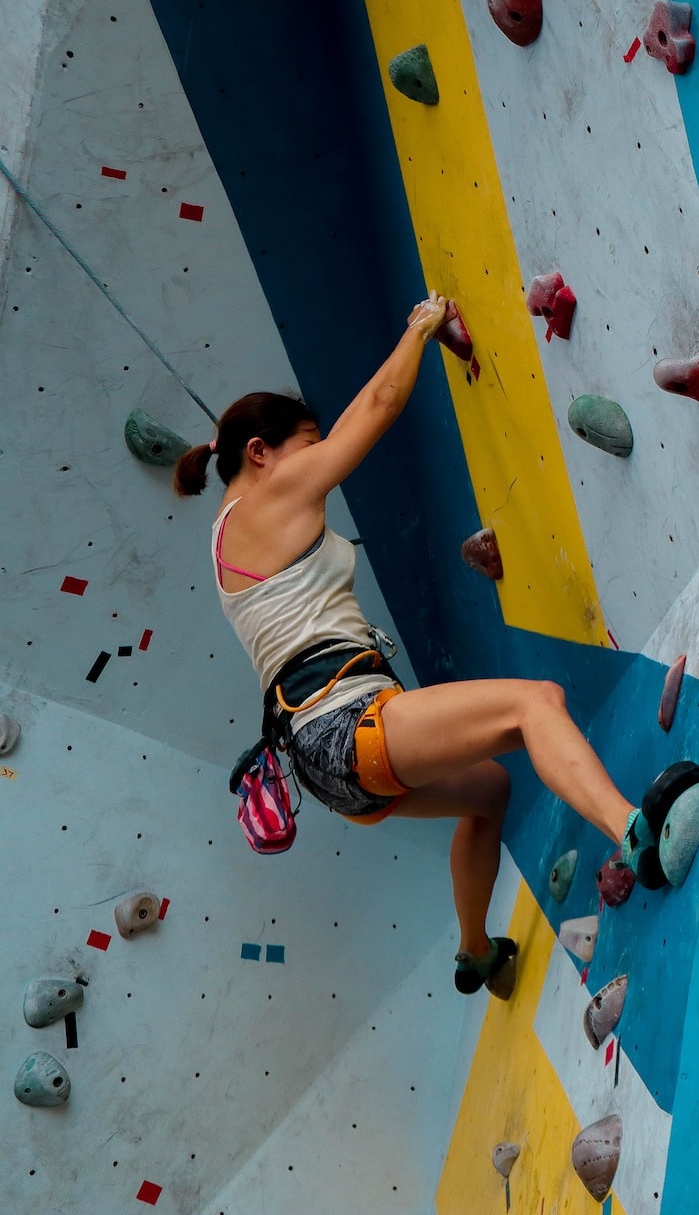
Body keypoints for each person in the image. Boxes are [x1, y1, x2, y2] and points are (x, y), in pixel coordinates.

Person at [174, 293, 652, 997]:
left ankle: (475, 952)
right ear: (260, 454)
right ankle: (632, 830)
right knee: (535, 703)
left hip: (324, 762)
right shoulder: (262, 500)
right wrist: (419, 329)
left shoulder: (228, 539)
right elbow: (374, 412)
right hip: (344, 727)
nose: (317, 465)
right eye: (304, 447)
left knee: (489, 789)